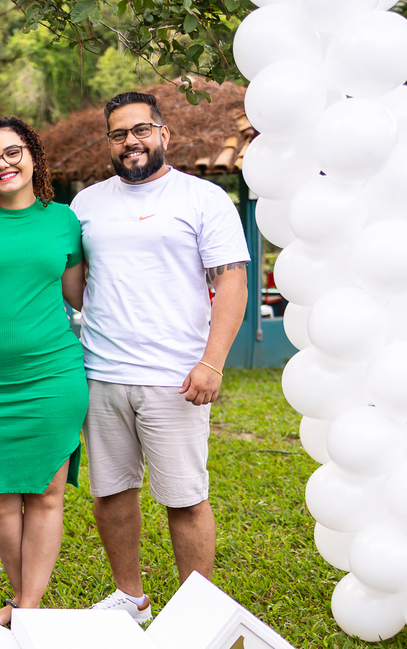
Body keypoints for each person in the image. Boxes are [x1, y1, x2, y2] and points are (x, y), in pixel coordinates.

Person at [70, 91, 249, 622]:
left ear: (164, 133)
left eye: (141, 130)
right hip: (101, 372)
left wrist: (212, 362)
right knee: (111, 493)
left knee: (185, 498)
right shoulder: (86, 204)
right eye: (119, 133)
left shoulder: (202, 198)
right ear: (109, 141)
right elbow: (77, 284)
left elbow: (232, 284)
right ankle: (132, 599)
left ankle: (196, 613)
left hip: (176, 377)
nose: (131, 141)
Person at [0, 117, 87, 626]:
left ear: (33, 155)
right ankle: (23, 598)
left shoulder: (64, 221)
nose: (3, 165)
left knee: (47, 495)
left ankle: (25, 609)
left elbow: (80, 296)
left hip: (52, 377)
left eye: (13, 153)